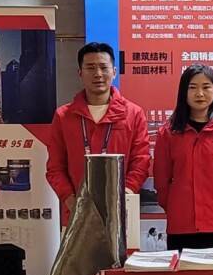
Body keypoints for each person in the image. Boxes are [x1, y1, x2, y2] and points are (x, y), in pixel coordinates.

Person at [46, 42, 150, 223]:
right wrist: (72, 201)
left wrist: (124, 196)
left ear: (114, 72)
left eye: (103, 67)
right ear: (80, 73)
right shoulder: (64, 116)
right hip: (76, 214)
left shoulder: (133, 114)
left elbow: (141, 161)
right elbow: (55, 167)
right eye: (90, 68)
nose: (98, 74)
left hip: (120, 213)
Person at [153, 64, 213, 251]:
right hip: (182, 225)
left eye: (206, 87)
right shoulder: (168, 133)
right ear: (183, 92)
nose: (200, 94)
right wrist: (177, 207)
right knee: (183, 272)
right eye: (193, 87)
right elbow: (162, 182)